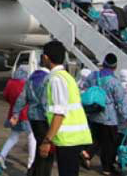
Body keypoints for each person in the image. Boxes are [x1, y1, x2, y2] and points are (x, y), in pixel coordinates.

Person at [38, 41, 92, 176]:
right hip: (74, 137)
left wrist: (47, 141)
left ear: (46, 57)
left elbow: (59, 113)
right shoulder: (67, 77)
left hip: (67, 139)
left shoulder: (56, 79)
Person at [81, 54, 127, 176]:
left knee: (97, 138)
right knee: (109, 143)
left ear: (103, 64)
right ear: (115, 67)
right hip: (108, 117)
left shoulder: (92, 76)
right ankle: (107, 168)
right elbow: (121, 102)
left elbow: (84, 88)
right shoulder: (114, 81)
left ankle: (87, 153)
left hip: (93, 114)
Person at [10, 66, 51, 176]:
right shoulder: (48, 79)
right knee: (46, 151)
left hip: (32, 116)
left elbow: (22, 98)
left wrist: (16, 113)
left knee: (39, 145)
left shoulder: (31, 78)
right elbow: (44, 101)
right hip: (43, 118)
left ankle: (32, 171)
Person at [0, 68, 37, 171]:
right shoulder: (26, 83)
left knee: (13, 137)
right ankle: (31, 162)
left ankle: (2, 156)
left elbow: (6, 96)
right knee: (31, 137)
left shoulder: (10, 83)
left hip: (13, 113)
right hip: (25, 113)